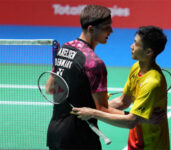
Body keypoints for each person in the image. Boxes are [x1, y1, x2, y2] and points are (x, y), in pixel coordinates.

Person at [71, 26, 170, 150]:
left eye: (136, 43)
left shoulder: (152, 82)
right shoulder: (136, 67)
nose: (131, 46)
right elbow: (122, 102)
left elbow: (130, 121)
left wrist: (93, 113)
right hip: (136, 140)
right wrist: (90, 107)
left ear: (148, 52)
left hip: (152, 144)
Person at [46, 5, 125, 150]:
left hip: (55, 134)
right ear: (91, 29)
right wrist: (133, 116)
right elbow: (103, 109)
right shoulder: (94, 64)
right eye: (107, 27)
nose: (111, 31)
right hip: (80, 139)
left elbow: (50, 88)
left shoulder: (65, 48)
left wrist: (85, 95)